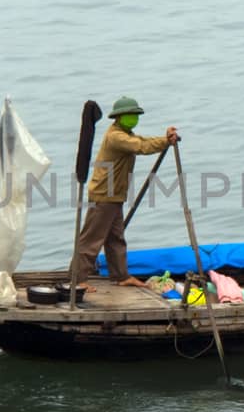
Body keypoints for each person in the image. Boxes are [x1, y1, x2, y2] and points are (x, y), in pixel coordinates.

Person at [73, 96, 179, 288]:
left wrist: (164, 139)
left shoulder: (126, 133)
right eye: (129, 115)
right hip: (104, 195)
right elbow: (141, 146)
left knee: (115, 240)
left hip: (115, 196)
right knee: (91, 240)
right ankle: (77, 281)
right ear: (119, 117)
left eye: (135, 115)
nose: (133, 118)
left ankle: (121, 276)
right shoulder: (116, 137)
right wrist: (165, 142)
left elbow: (143, 140)